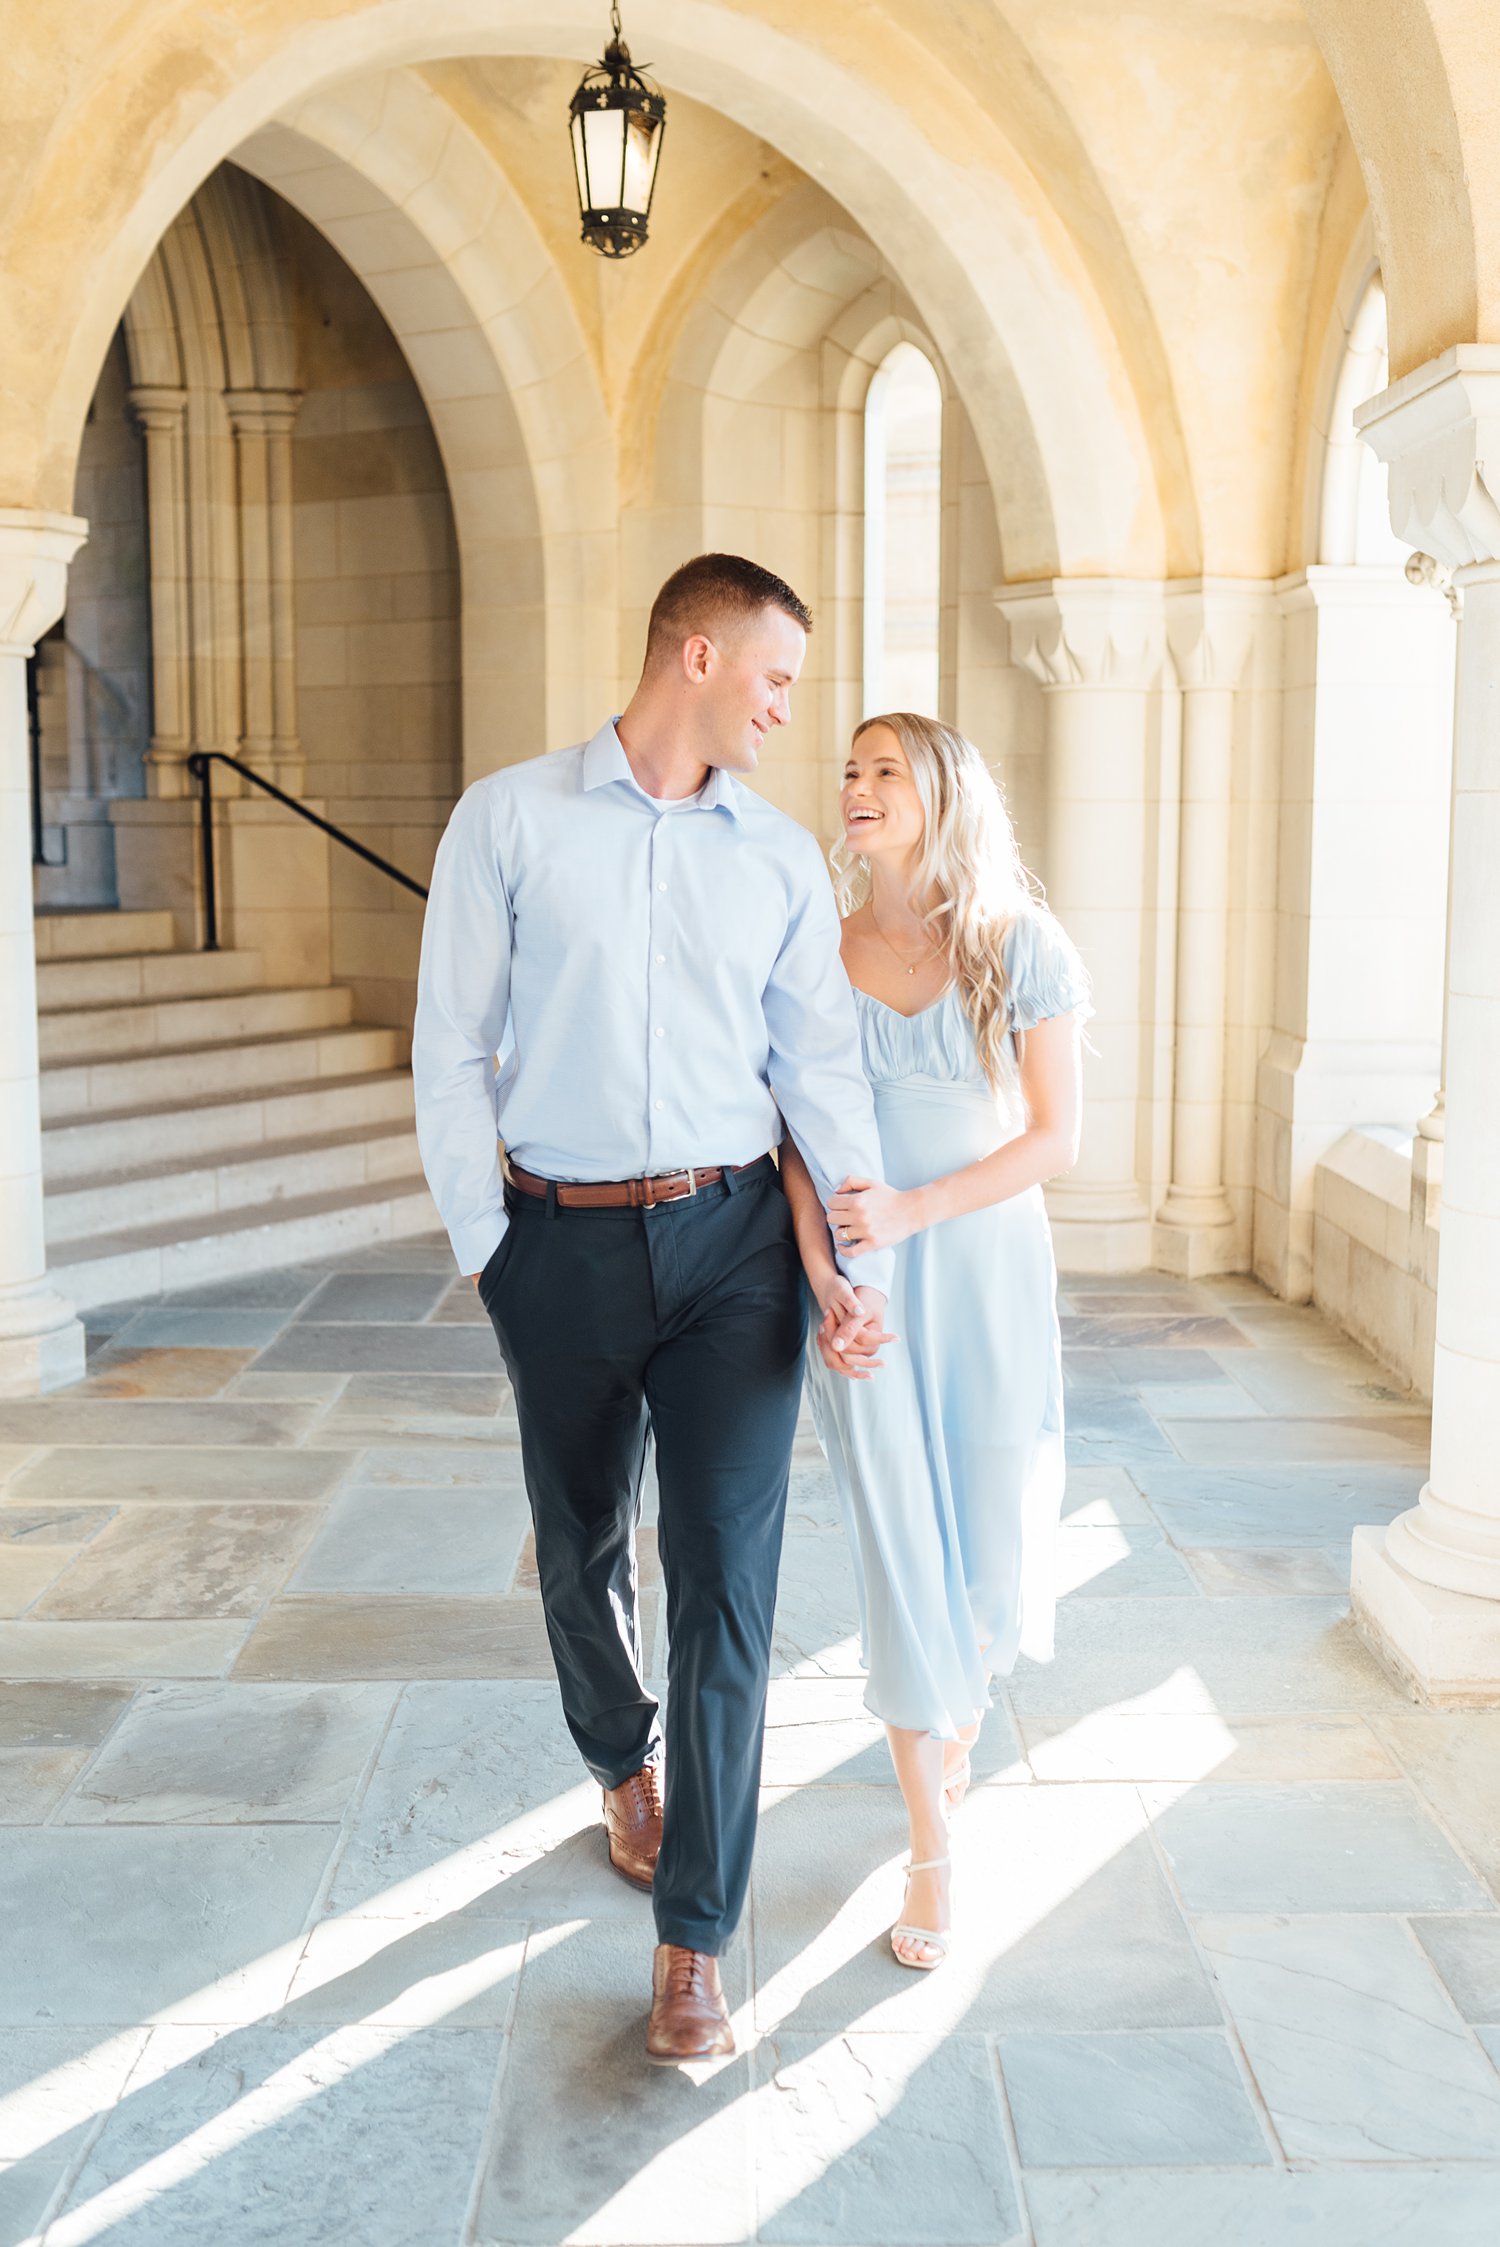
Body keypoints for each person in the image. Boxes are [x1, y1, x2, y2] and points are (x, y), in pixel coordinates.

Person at [411, 554, 893, 2065]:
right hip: (556, 1242)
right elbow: (450, 1045)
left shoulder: (779, 858)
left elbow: (820, 1071)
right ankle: (621, 1754)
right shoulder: (510, 818)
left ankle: (696, 1939)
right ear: (696, 652)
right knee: (578, 1541)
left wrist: (850, 1261)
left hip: (735, 1243)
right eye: (774, 678)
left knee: (730, 1584)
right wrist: (491, 1246)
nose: (783, 709)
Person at [781, 711, 1089, 1969]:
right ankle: (932, 1855)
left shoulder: (1019, 944)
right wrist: (826, 1276)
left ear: (942, 792)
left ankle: (950, 1724)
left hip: (988, 1273)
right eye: (847, 770)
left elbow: (1056, 1139)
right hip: (868, 1297)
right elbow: (793, 1141)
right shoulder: (818, 948)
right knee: (902, 1553)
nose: (855, 788)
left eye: (883, 771)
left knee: (986, 1550)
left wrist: (914, 1210)